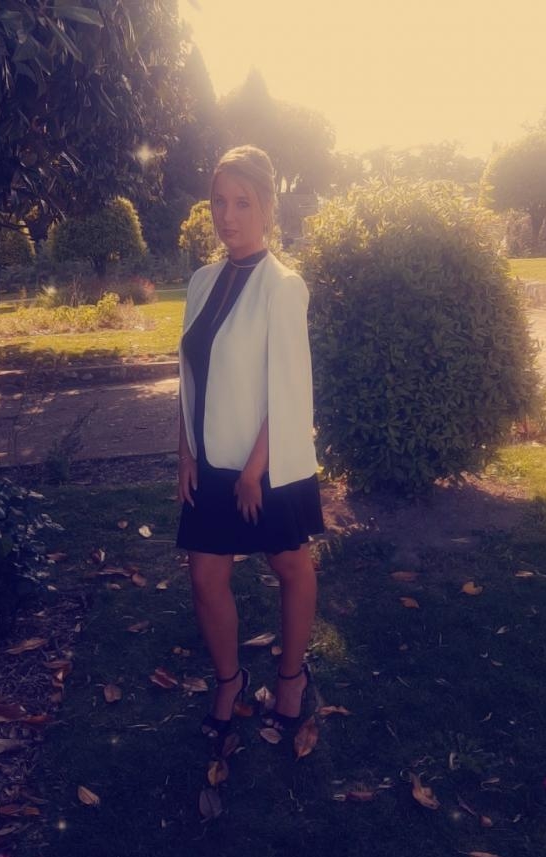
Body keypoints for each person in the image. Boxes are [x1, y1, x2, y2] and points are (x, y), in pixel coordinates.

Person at [176, 145, 324, 741]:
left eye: (242, 202)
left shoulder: (282, 286)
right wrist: (185, 453)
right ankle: (229, 680)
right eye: (219, 201)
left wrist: (253, 470)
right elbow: (190, 375)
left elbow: (287, 385)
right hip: (209, 460)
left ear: (266, 207)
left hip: (266, 464)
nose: (227, 215)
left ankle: (291, 678)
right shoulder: (200, 282)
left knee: (289, 565)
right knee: (204, 578)